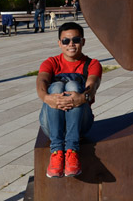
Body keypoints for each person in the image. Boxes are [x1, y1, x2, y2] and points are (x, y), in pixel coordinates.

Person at [36, 22, 102, 178]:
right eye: (66, 41)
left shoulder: (92, 64)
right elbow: (41, 81)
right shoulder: (51, 62)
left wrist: (83, 96)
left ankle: (71, 150)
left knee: (73, 85)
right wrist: (47, 98)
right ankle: (57, 151)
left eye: (76, 40)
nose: (71, 44)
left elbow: (93, 83)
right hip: (51, 124)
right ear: (60, 43)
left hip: (81, 125)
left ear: (83, 42)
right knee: (56, 87)